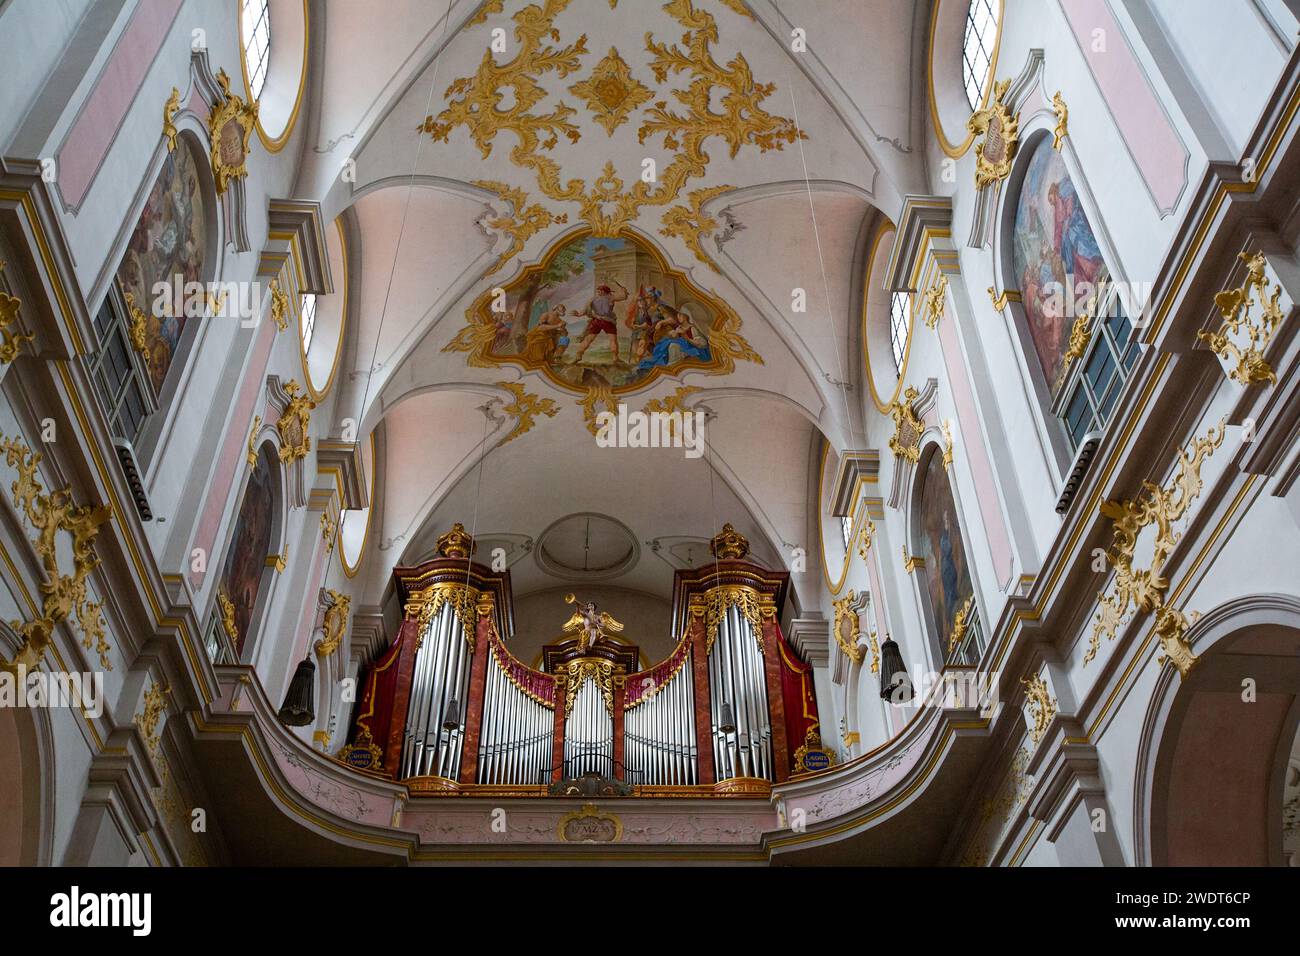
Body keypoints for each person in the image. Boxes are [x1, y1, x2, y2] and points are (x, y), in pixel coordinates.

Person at [570, 280, 628, 362]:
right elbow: (624, 297)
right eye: (598, 290)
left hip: (597, 321)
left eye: (599, 290)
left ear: (602, 291)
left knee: (588, 339)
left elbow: (584, 311)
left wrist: (578, 314)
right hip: (608, 321)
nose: (598, 292)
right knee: (612, 340)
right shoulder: (610, 297)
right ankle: (615, 357)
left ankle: (579, 355)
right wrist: (624, 290)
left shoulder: (592, 299)